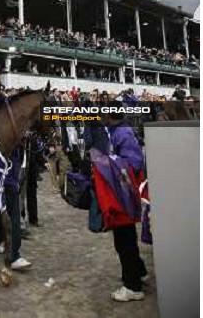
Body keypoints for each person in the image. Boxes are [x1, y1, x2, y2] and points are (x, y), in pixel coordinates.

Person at [84, 104, 148, 302]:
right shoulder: (116, 131)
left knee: (124, 241)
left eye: (103, 113)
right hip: (120, 194)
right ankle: (139, 272)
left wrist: (103, 162)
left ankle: (132, 286)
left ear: (111, 115)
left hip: (124, 197)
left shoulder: (124, 134)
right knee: (125, 238)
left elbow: (133, 163)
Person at [0, 146, 32, 271]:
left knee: (2, 213)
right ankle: (14, 255)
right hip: (7, 179)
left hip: (10, 177)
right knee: (13, 215)